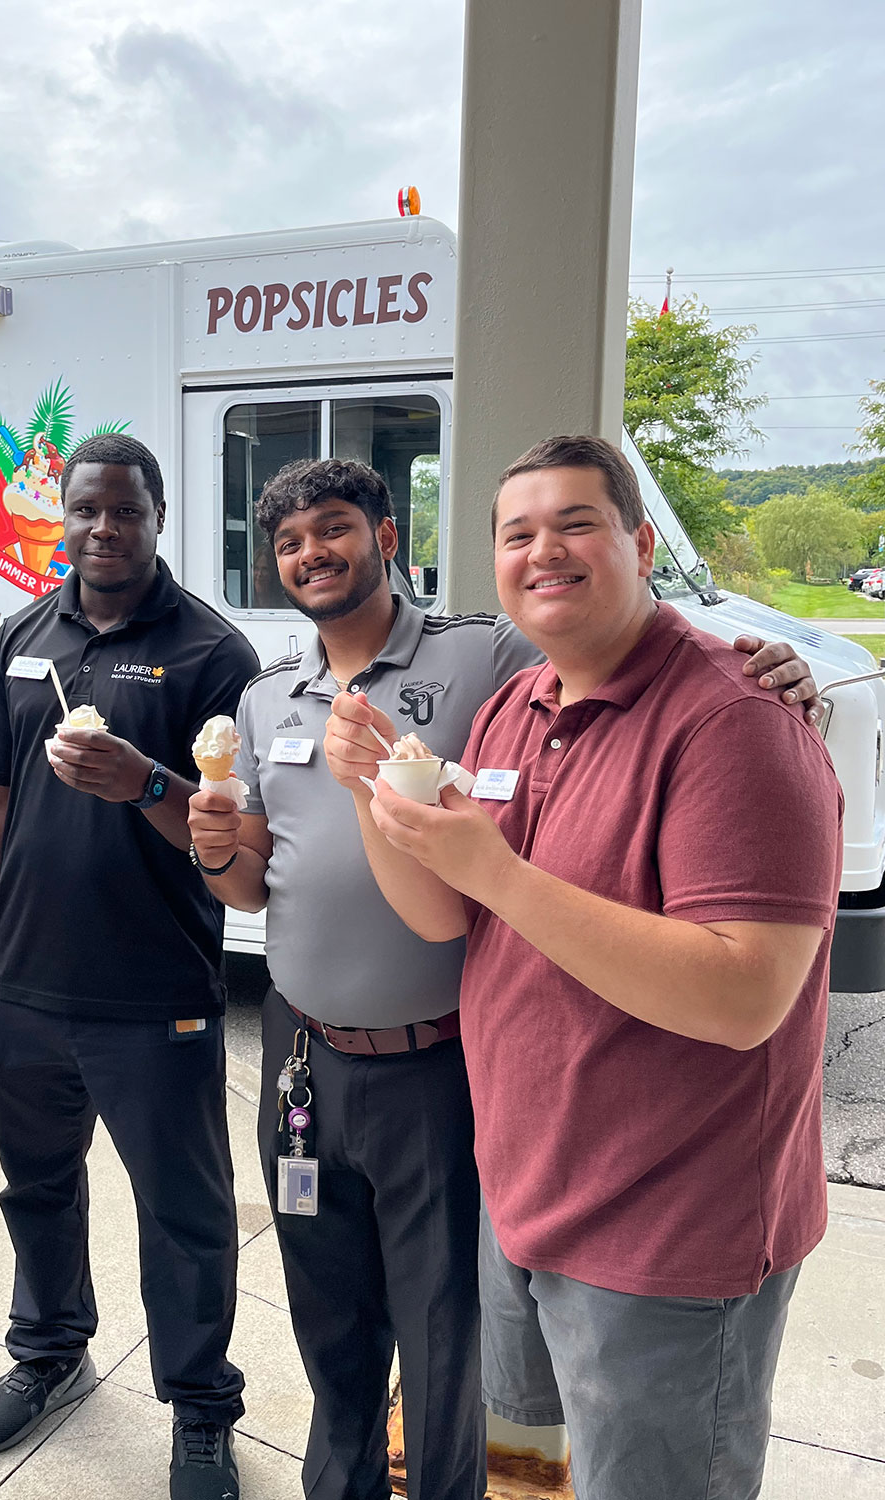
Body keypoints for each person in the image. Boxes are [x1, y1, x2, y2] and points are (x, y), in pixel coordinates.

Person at [186, 455, 820, 1500]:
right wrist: (218, 844)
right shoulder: (474, 706)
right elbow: (327, 889)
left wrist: (782, 667)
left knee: (496, 1383)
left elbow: (738, 986)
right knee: (505, 1437)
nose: (542, 556)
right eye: (517, 535)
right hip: (346, 1081)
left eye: (575, 526)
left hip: (614, 1188)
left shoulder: (491, 663)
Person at [0, 434, 259, 1500]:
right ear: (60, 518)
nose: (103, 529)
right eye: (85, 510)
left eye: (125, 511)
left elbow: (229, 835)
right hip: (20, 983)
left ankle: (201, 1407)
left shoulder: (212, 654)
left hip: (150, 993)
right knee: (35, 1188)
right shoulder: (24, 635)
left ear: (160, 517)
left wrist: (143, 779)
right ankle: (51, 1352)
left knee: (185, 1214)